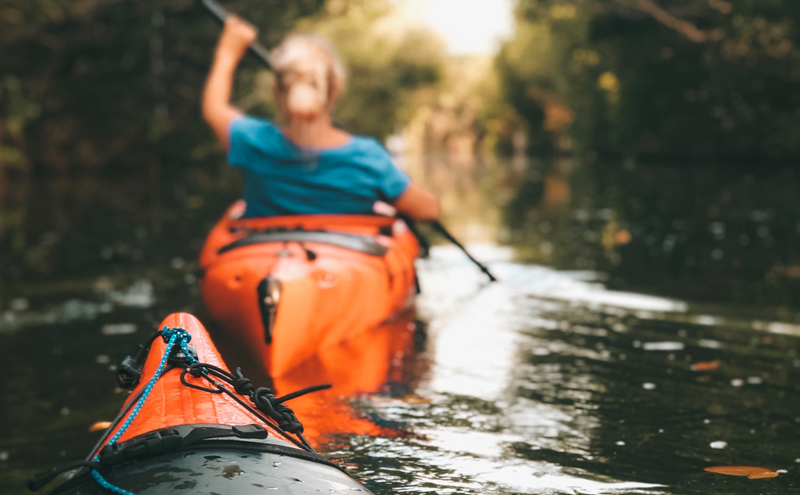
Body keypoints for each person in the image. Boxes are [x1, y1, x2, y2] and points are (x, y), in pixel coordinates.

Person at [201, 16, 440, 220]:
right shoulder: (367, 159)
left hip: (265, 264)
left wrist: (227, 52)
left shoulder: (254, 142)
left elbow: (214, 108)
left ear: (276, 91)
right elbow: (428, 211)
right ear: (336, 89)